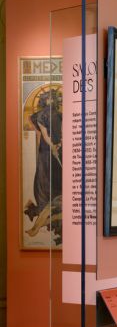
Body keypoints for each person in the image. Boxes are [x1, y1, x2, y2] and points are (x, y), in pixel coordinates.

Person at [25, 87, 63, 239]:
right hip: (46, 151)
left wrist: (59, 144)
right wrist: (52, 145)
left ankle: (53, 209)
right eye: (49, 98)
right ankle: (43, 208)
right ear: (45, 100)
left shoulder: (59, 115)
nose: (51, 100)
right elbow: (45, 135)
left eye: (53, 97)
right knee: (44, 179)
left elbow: (63, 133)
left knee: (57, 178)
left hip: (57, 150)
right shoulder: (41, 115)